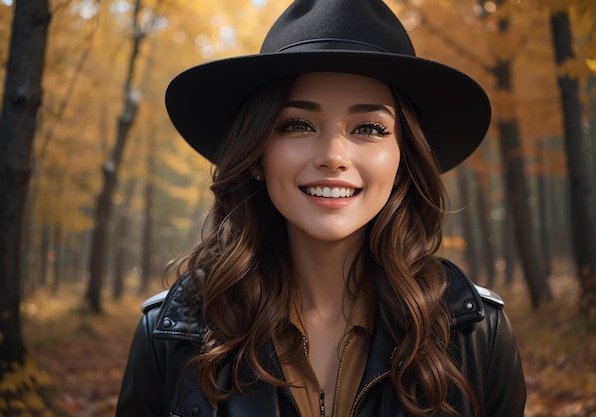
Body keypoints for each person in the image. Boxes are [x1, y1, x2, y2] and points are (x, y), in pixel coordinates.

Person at [116, 0, 526, 416]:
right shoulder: (170, 337)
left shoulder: (476, 333)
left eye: (369, 128)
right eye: (297, 125)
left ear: (403, 161)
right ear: (257, 155)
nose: (333, 155)